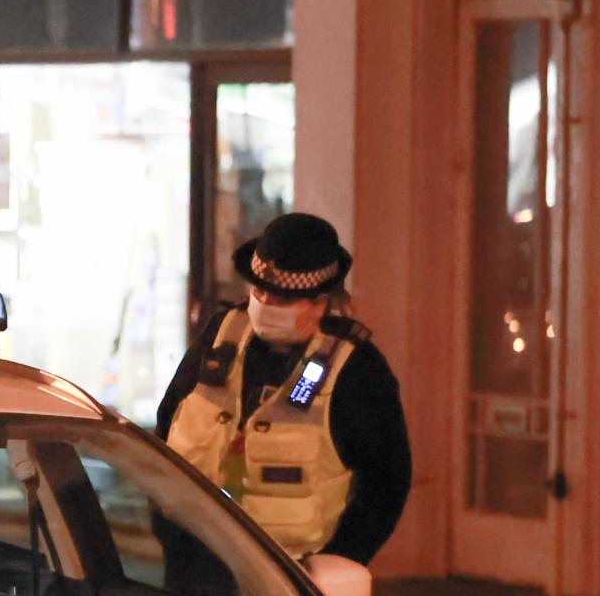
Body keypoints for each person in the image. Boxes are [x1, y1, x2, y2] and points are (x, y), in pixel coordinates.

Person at [156, 212, 412, 565]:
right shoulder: (220, 336)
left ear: (320, 300)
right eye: (260, 291)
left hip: (296, 584)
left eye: (283, 299)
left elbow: (386, 483)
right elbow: (166, 431)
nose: (266, 305)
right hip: (196, 571)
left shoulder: (356, 370)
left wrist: (338, 563)